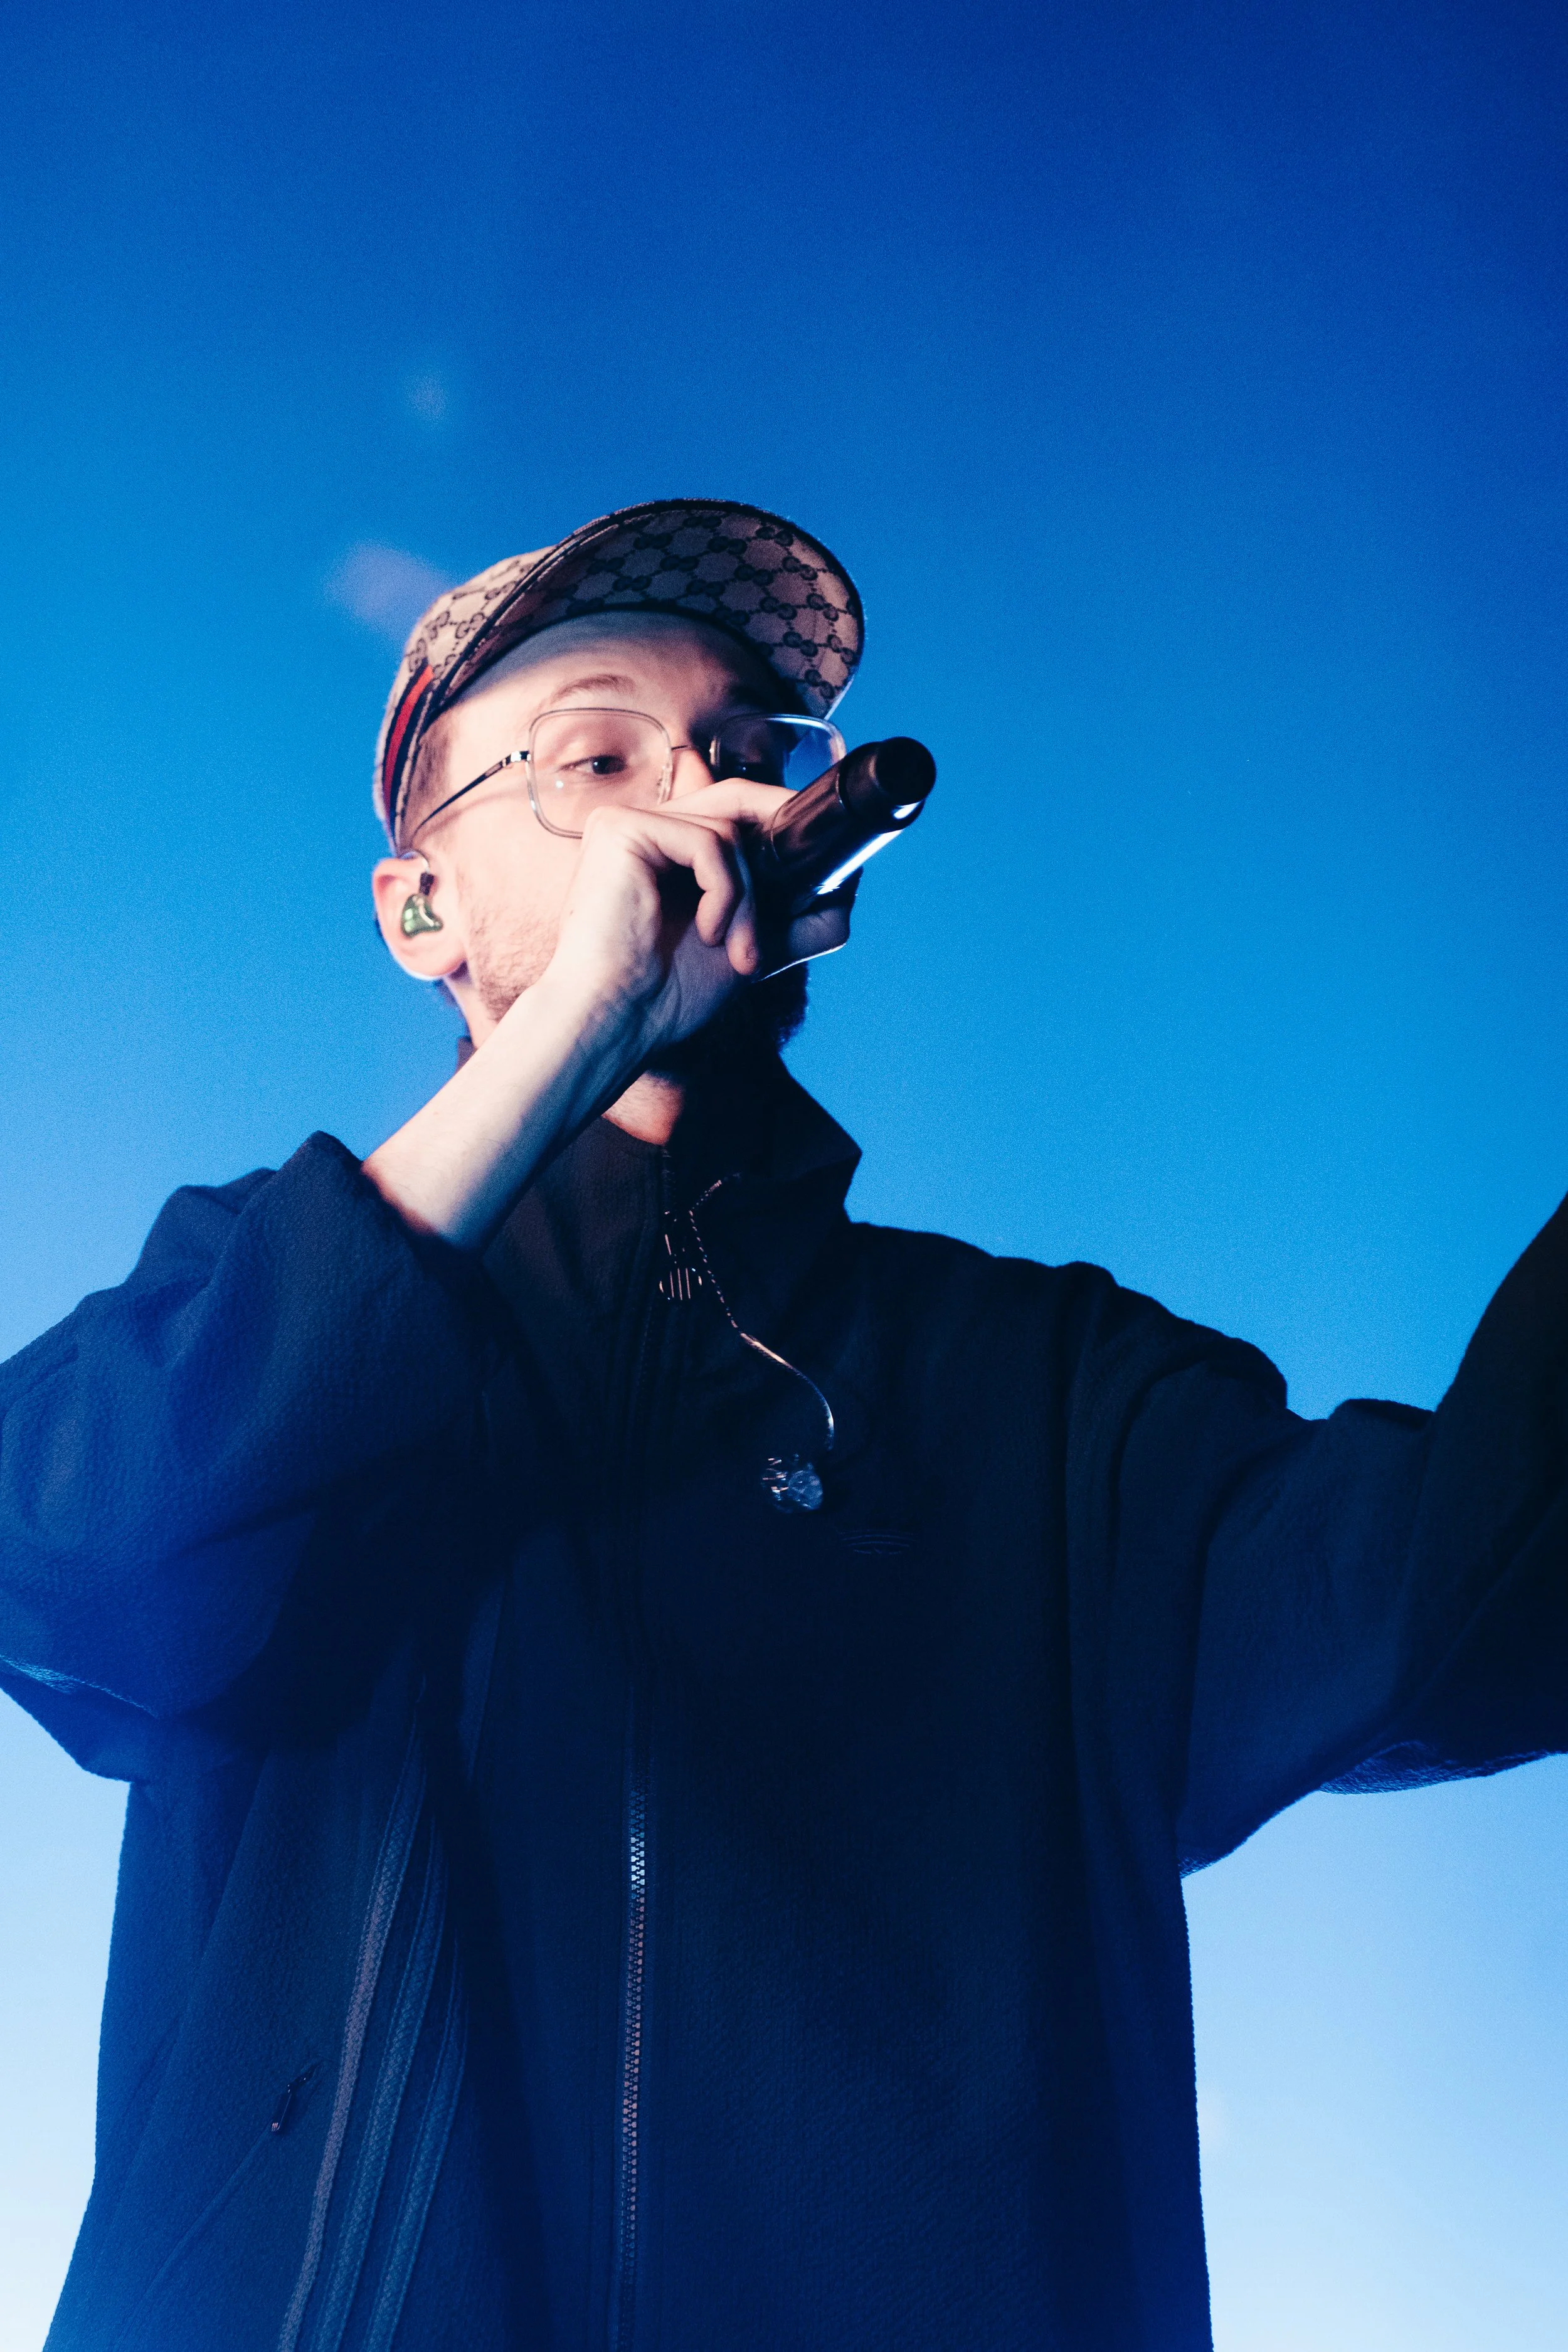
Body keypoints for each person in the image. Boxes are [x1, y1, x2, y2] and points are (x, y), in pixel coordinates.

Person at [2, 497, 1564, 2352]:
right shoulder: (265, 1328)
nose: (700, 795)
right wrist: (566, 1037)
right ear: (419, 907)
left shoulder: (1044, 1389)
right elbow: (59, 1553)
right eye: (597, 752)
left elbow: (1473, 1591)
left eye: (747, 752)